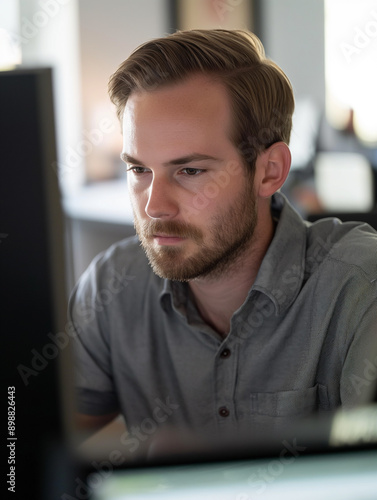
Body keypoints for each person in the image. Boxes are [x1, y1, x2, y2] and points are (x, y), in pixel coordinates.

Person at [70, 29, 377, 444]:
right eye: (139, 170)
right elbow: (25, 453)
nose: (153, 206)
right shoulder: (111, 289)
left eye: (190, 171)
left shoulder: (359, 290)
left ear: (270, 171)